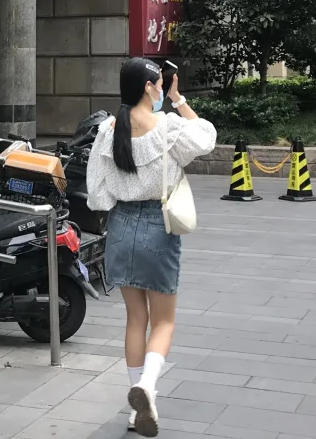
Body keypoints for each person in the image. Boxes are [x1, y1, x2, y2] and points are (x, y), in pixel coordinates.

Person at [88, 58, 216, 437]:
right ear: (148, 87)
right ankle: (146, 386)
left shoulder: (107, 130)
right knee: (164, 321)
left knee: (135, 319)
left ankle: (137, 409)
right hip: (157, 228)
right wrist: (179, 100)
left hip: (120, 228)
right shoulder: (168, 126)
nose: (162, 88)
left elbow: (97, 194)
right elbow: (206, 137)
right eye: (160, 83)